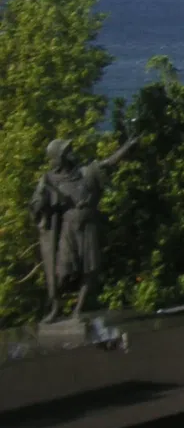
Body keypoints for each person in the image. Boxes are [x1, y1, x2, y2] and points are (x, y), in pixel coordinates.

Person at [31, 135, 140, 322]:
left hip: (88, 226)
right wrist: (43, 201)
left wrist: (125, 149)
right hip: (67, 229)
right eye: (67, 152)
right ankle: (56, 308)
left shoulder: (85, 172)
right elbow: (36, 203)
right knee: (62, 273)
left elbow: (107, 163)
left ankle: (78, 310)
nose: (72, 154)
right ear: (59, 158)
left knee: (89, 270)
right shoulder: (49, 179)